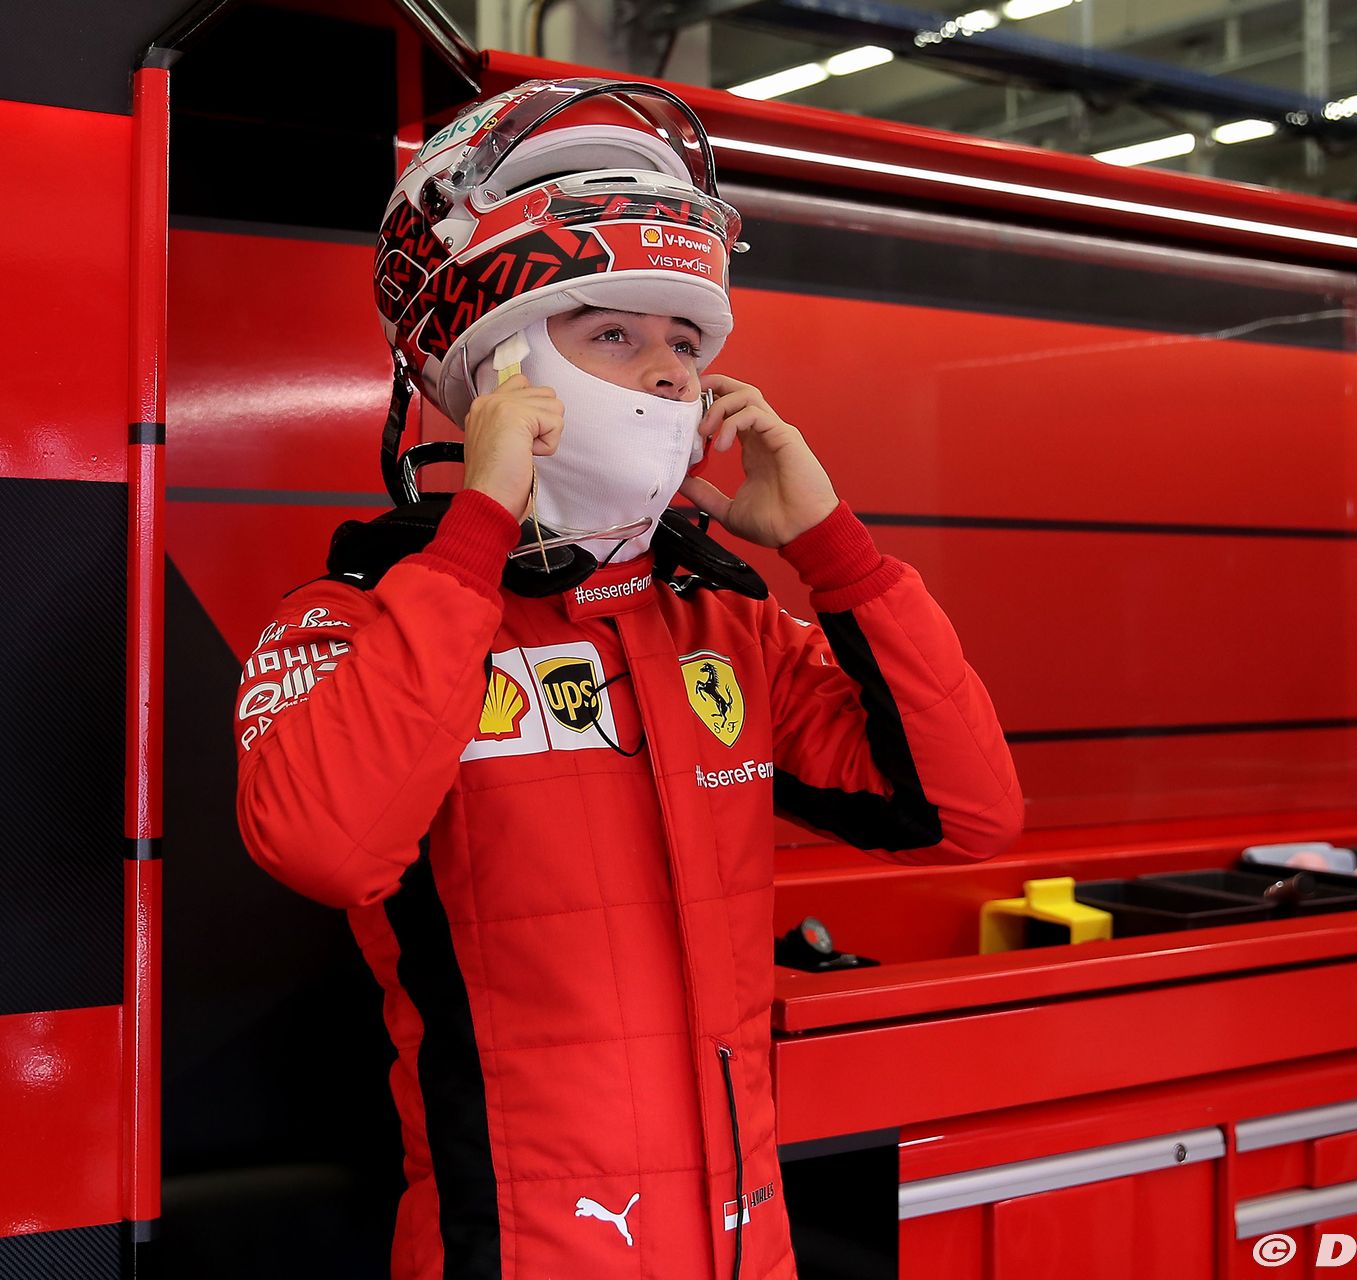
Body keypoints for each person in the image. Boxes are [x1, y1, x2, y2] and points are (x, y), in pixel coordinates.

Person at [234, 77, 1022, 1280]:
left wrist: (834, 551)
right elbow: (325, 848)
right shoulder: (355, 620)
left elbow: (968, 813)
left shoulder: (726, 625)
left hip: (746, 1247)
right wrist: (480, 521)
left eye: (686, 343)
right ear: (497, 371)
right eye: (615, 334)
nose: (668, 374)